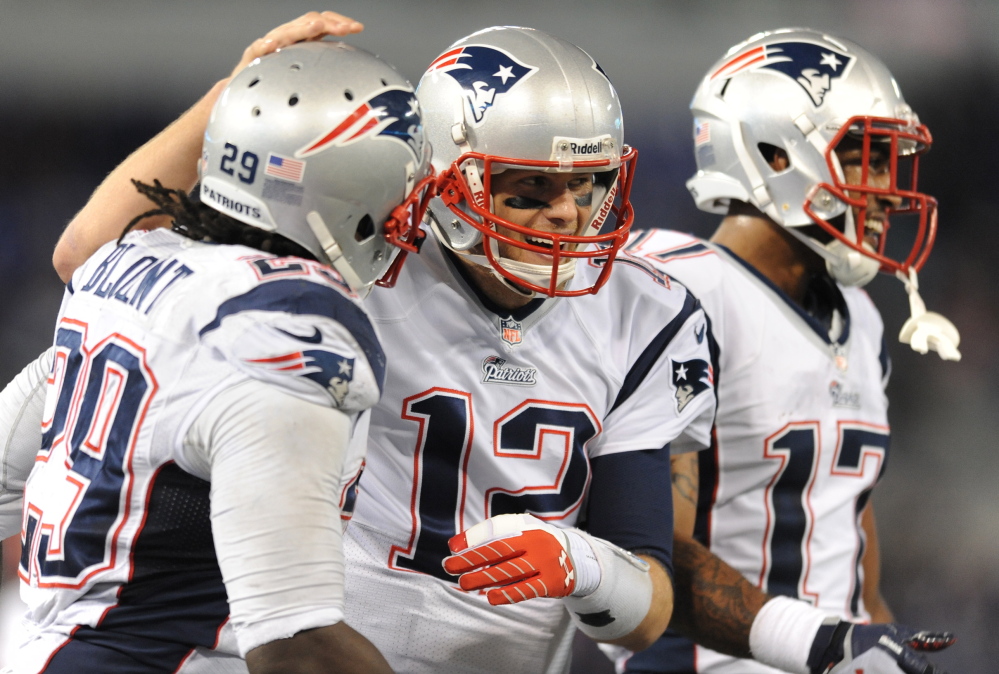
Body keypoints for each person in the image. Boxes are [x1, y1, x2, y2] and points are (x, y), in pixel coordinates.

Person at [10, 23, 719, 674]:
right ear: (435, 178)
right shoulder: (347, 267)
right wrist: (237, 98)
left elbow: (649, 609)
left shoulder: (644, 312)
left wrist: (582, 565)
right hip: (318, 645)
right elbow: (93, 255)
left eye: (587, 184)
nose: (566, 213)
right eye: (529, 187)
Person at [0, 12, 435, 673]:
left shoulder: (126, 269)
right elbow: (293, 641)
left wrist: (236, 89)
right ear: (357, 190)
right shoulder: (289, 322)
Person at [605, 28, 957, 674]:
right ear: (773, 154)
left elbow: (846, 534)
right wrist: (812, 642)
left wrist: (869, 644)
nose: (885, 187)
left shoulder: (857, 316)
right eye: (865, 158)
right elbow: (640, 546)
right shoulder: (679, 291)